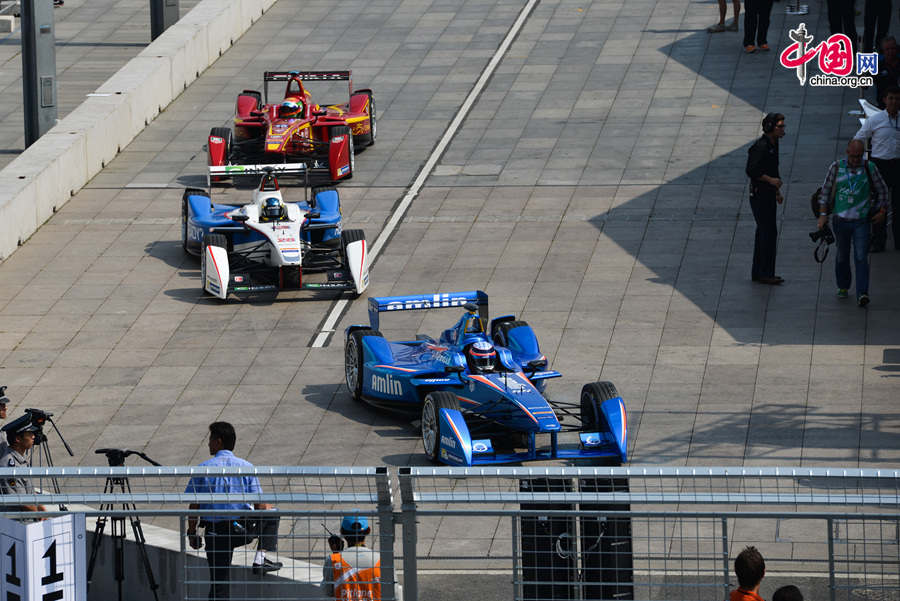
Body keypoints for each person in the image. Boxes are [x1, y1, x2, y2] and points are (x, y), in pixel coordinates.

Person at [185, 422, 282, 601]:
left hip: (215, 534)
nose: (208, 444)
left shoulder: (202, 469)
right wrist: (267, 508)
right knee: (273, 512)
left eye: (210, 440)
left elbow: (194, 507)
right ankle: (260, 558)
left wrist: (192, 533)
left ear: (219, 442)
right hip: (242, 531)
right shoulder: (246, 467)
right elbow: (260, 505)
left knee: (219, 584)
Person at [817, 139, 889, 306]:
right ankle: (843, 285)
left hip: (861, 221)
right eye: (853, 156)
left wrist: (881, 211)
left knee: (860, 256)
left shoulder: (869, 168)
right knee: (842, 255)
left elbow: (883, 191)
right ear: (847, 152)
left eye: (859, 156)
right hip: (840, 220)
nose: (856, 160)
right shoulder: (836, 167)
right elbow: (825, 192)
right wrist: (822, 215)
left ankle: (862, 292)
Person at [853, 86, 900, 251]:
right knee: (880, 203)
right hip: (880, 165)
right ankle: (878, 241)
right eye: (891, 98)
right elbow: (859, 137)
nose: (894, 102)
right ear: (885, 100)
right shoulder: (876, 119)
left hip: (898, 164)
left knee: (898, 204)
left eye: (897, 99)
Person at [746, 113, 786, 285]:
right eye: (780, 126)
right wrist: (771, 181)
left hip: (769, 193)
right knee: (767, 232)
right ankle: (764, 272)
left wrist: (776, 190)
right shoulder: (761, 147)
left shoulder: (773, 144)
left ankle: (761, 271)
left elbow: (773, 168)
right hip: (760, 194)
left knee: (766, 231)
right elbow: (752, 170)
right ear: (770, 128)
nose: (783, 129)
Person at [322, 514, 381, 601]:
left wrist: (337, 553)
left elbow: (328, 591)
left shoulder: (333, 560)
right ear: (368, 531)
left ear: (342, 532)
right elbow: (394, 593)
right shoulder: (382, 560)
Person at [0, 415, 46, 514]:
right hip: (16, 521)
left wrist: (40, 506)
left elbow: (29, 491)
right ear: (18, 439)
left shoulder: (20, 458)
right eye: (29, 434)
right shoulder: (9, 465)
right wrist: (39, 514)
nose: (33, 436)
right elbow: (19, 499)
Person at [874, 37, 900, 107]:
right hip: (883, 106)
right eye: (887, 49)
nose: (890, 51)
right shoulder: (877, 66)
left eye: (893, 48)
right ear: (883, 51)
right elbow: (865, 84)